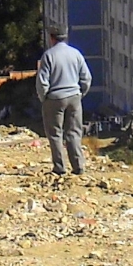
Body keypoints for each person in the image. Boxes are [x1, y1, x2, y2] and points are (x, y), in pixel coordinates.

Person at [36, 25, 91, 176]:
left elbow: (42, 82)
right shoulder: (76, 54)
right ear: (65, 37)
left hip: (54, 98)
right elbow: (87, 78)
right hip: (74, 97)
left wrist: (44, 98)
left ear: (51, 38)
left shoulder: (48, 55)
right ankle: (78, 167)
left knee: (55, 134)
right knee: (74, 133)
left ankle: (60, 168)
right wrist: (80, 94)